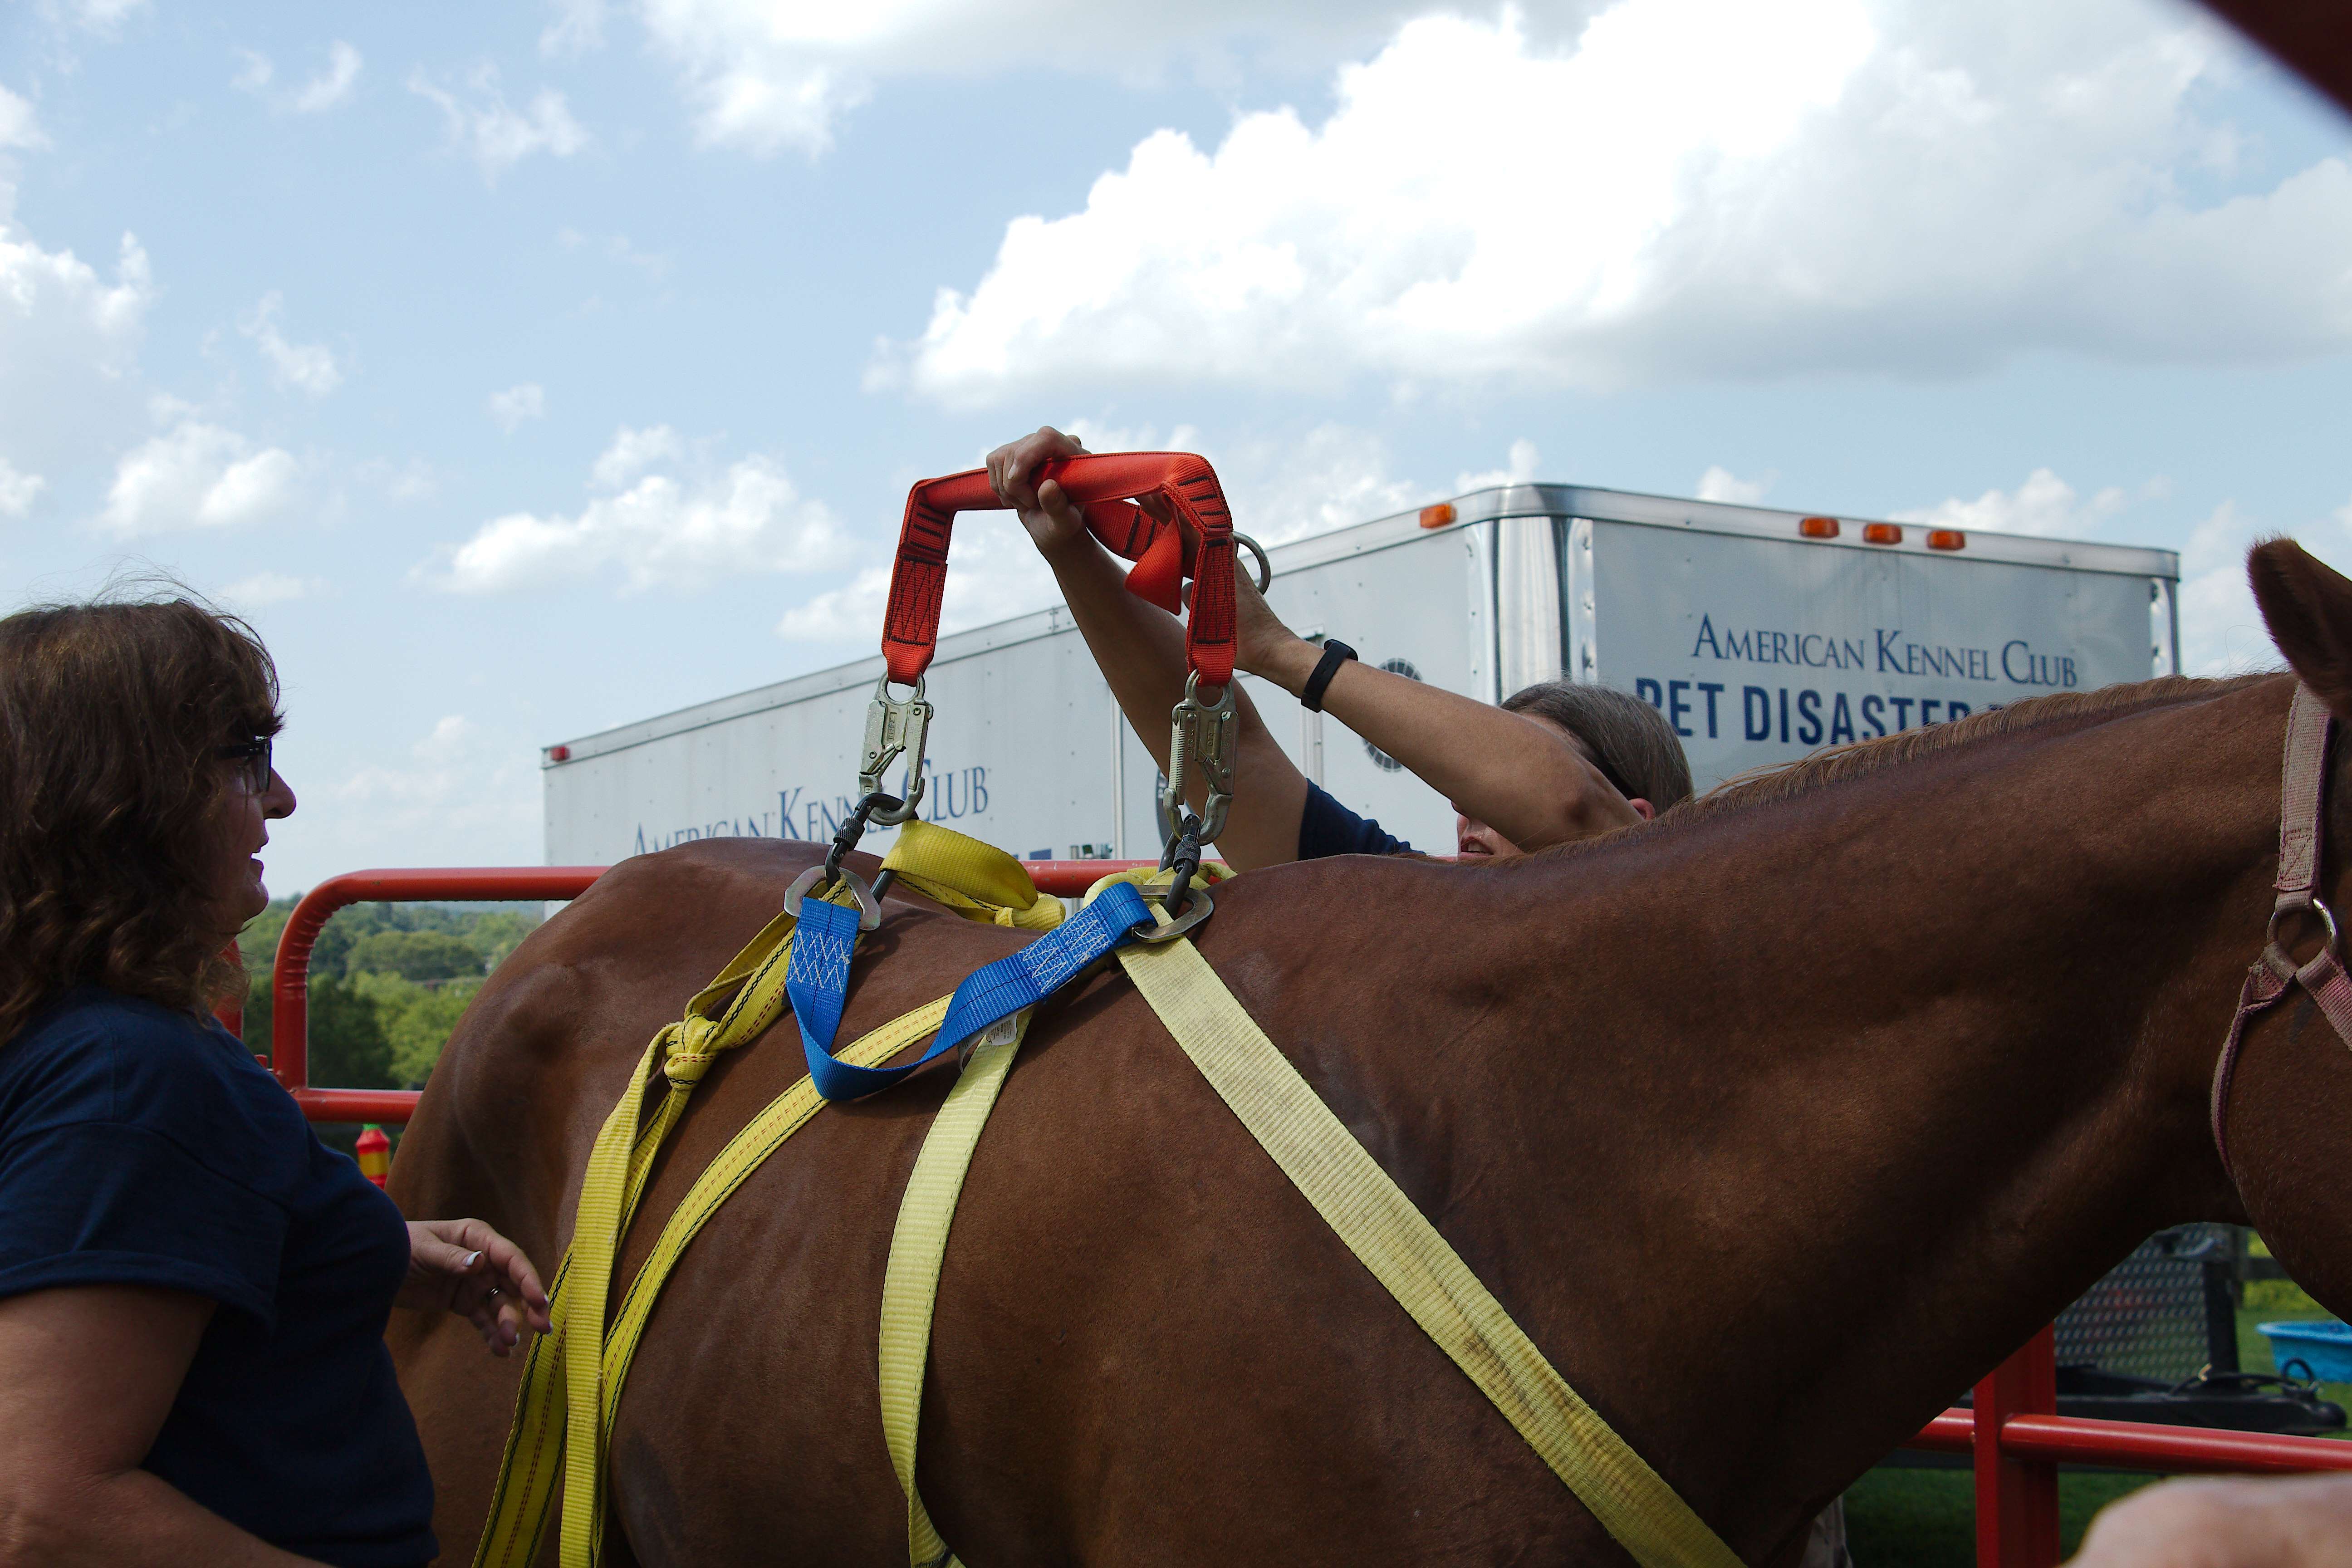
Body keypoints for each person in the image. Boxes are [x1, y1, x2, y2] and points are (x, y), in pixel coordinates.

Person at [0, 593, 551, 1568]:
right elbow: (44, 1513)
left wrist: (345, 1245)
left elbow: (81, 1238)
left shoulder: (63, 1036)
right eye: (246, 756)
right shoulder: (132, 1079)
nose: (284, 797)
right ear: (126, 799)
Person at [986, 426, 1694, 870]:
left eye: (1494, 780)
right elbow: (1235, 761)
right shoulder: (1418, 902)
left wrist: (1282, 652)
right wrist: (1068, 541)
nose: (1466, 808)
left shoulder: (1661, 927)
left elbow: (1570, 806)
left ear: (1635, 828)